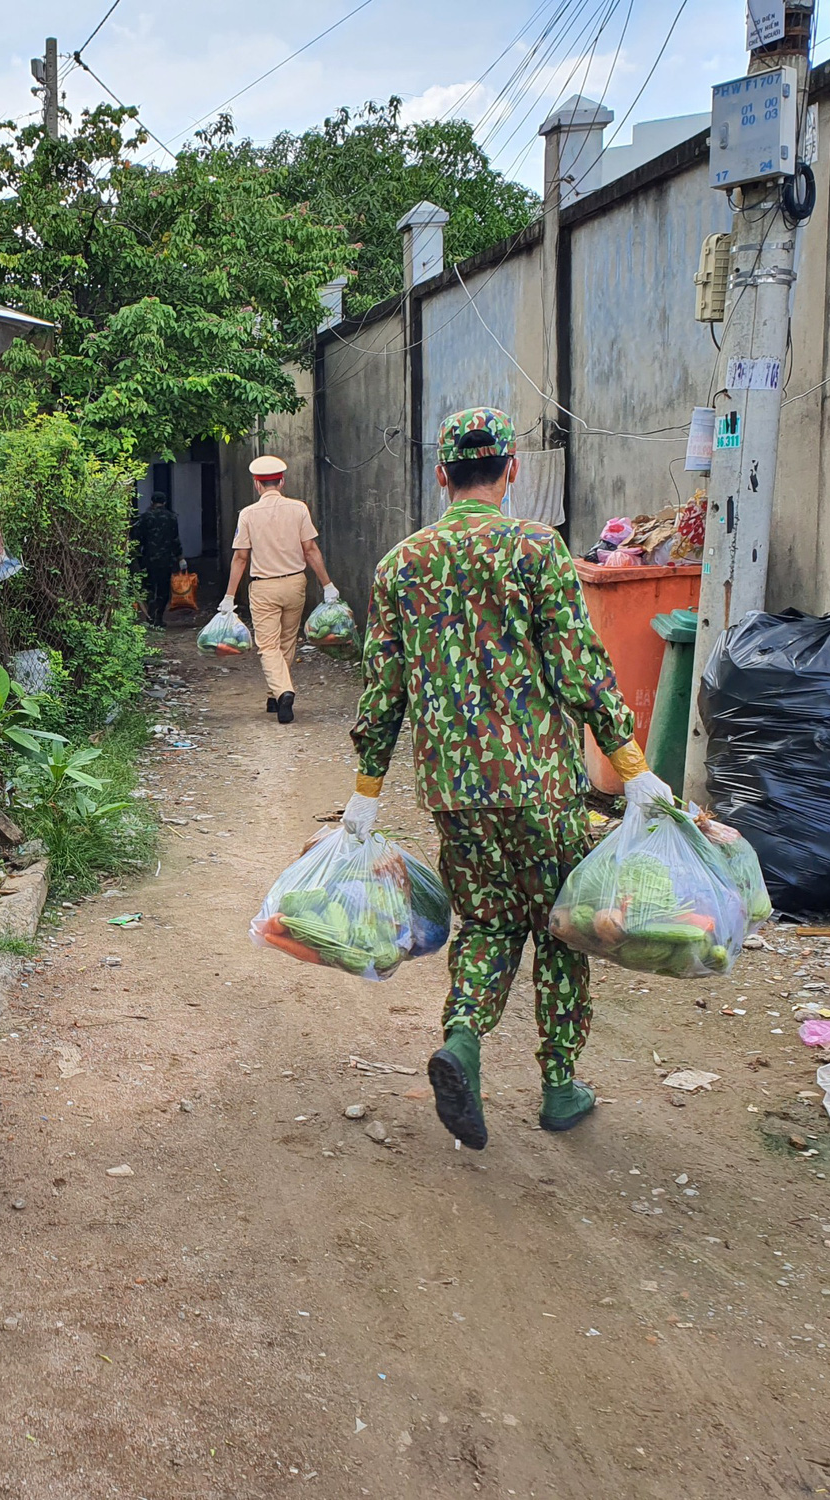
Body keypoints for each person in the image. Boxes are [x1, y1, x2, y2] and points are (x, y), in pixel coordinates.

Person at [344, 408, 668, 1150]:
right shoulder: (536, 550)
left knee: (488, 920)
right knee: (559, 926)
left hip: (454, 790)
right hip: (539, 785)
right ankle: (559, 1086)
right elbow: (579, 666)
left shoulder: (402, 565)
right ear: (512, 469)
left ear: (441, 475)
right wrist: (633, 768)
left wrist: (365, 795)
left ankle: (462, 1038)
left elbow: (383, 690)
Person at [221, 455, 337, 724]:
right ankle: (275, 697)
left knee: (268, 646)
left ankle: (284, 691)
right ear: (282, 482)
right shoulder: (299, 509)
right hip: (295, 583)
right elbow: (311, 550)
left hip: (264, 587)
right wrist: (327, 585)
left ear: (256, 484)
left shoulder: (248, 514)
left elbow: (241, 557)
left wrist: (229, 596)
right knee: (287, 640)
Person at [130, 492, 183, 626]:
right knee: (163, 588)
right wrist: (180, 557)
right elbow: (175, 540)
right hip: (166, 559)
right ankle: (159, 617)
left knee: (149, 587)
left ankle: (150, 614)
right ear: (165, 502)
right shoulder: (171, 517)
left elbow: (136, 538)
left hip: (149, 558)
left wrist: (135, 556)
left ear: (152, 502)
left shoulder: (145, 518)